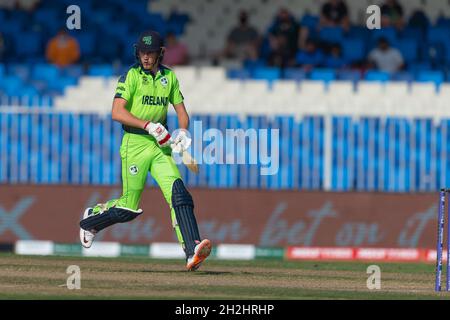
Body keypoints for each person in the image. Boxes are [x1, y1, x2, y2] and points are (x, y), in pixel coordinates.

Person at [79, 31, 212, 271]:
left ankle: (192, 250)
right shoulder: (131, 76)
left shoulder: (169, 77)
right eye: (142, 52)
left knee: (179, 195)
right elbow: (116, 112)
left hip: (161, 146)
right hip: (135, 143)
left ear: (160, 53)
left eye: (150, 52)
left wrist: (182, 133)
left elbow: (182, 112)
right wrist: (148, 125)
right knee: (128, 209)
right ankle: (92, 219)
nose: (146, 57)